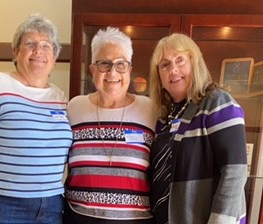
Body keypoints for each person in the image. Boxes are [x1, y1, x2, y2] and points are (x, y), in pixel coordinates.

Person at [0, 13, 73, 224]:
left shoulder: (60, 97)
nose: (39, 51)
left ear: (54, 58)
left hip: (53, 206)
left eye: (47, 46)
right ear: (16, 51)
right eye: (30, 43)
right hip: (4, 205)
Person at [149, 33, 248, 224]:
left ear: (195, 63)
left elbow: (235, 172)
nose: (173, 69)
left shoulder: (217, 103)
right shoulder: (164, 117)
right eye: (165, 64)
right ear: (158, 75)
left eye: (180, 60)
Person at [63, 27, 157, 224]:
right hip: (79, 218)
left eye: (120, 64)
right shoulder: (74, 108)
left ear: (129, 70)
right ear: (92, 70)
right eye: (104, 63)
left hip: (135, 221)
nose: (113, 72)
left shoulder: (149, 110)